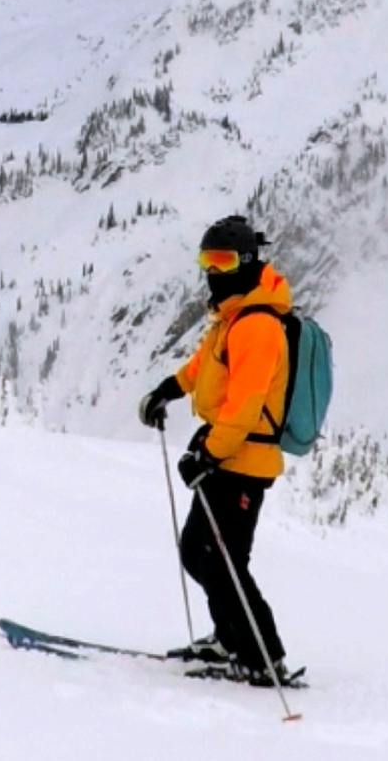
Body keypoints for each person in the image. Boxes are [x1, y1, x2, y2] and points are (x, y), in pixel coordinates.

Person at [137, 215, 296, 687]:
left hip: (243, 460)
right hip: (227, 454)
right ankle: (229, 639)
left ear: (245, 262)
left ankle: (263, 656)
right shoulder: (231, 317)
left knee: (223, 560)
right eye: (206, 260)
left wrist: (208, 453)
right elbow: (203, 367)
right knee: (197, 552)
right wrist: (170, 389)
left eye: (222, 260)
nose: (212, 270)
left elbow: (245, 403)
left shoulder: (258, 326)